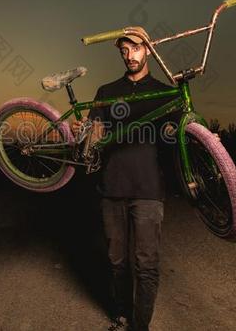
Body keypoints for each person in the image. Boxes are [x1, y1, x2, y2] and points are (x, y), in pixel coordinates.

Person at [72, 26, 178, 331]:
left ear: (148, 49)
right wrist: (85, 131)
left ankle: (139, 326)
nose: (129, 55)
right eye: (124, 50)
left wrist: (199, 136)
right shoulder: (106, 92)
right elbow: (92, 137)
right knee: (117, 261)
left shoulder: (163, 92)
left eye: (135, 48)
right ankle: (120, 315)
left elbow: (174, 133)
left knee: (146, 265)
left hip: (148, 189)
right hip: (111, 188)